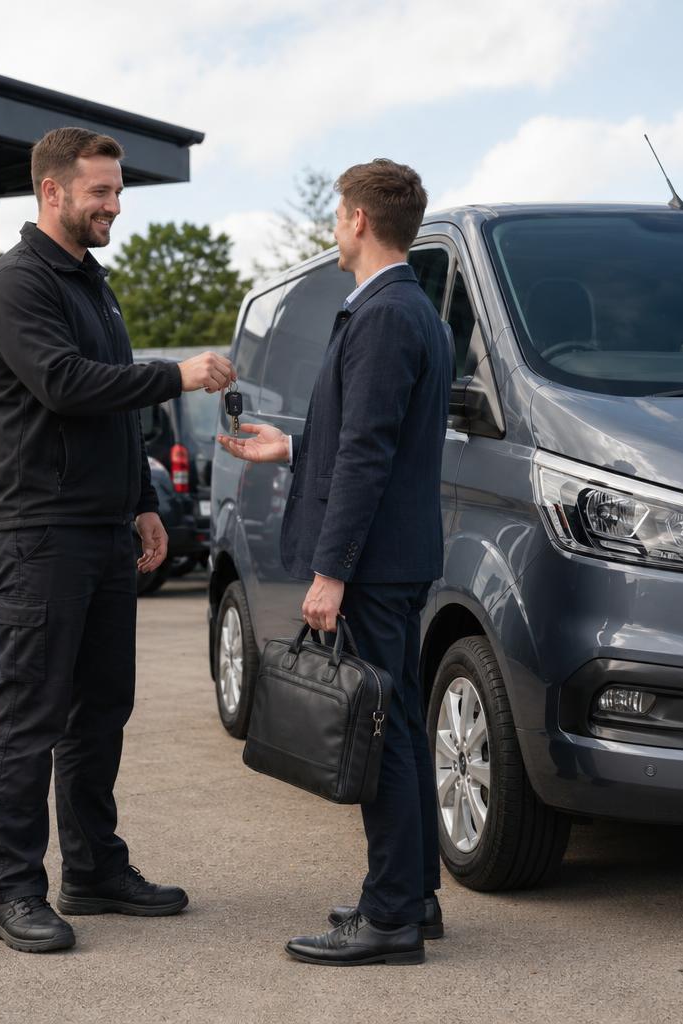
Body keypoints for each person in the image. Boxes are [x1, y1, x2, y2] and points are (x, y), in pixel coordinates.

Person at [0, 126, 235, 954]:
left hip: (101, 529)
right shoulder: (17, 286)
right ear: (52, 192)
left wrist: (140, 502)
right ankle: (13, 891)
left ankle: (92, 871)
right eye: (101, 193)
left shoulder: (94, 284)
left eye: (116, 192)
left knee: (100, 714)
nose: (113, 206)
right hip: (39, 533)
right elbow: (65, 385)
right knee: (31, 717)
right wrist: (178, 374)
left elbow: (116, 413)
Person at [218, 158, 450, 966]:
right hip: (397, 557)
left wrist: (331, 571)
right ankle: (413, 894)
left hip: (375, 563)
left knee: (378, 731)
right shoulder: (406, 307)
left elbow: (369, 454)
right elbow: (362, 435)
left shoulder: (384, 314)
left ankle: (389, 920)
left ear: (356, 219)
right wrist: (296, 443)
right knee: (404, 724)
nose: (334, 226)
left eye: (338, 214)